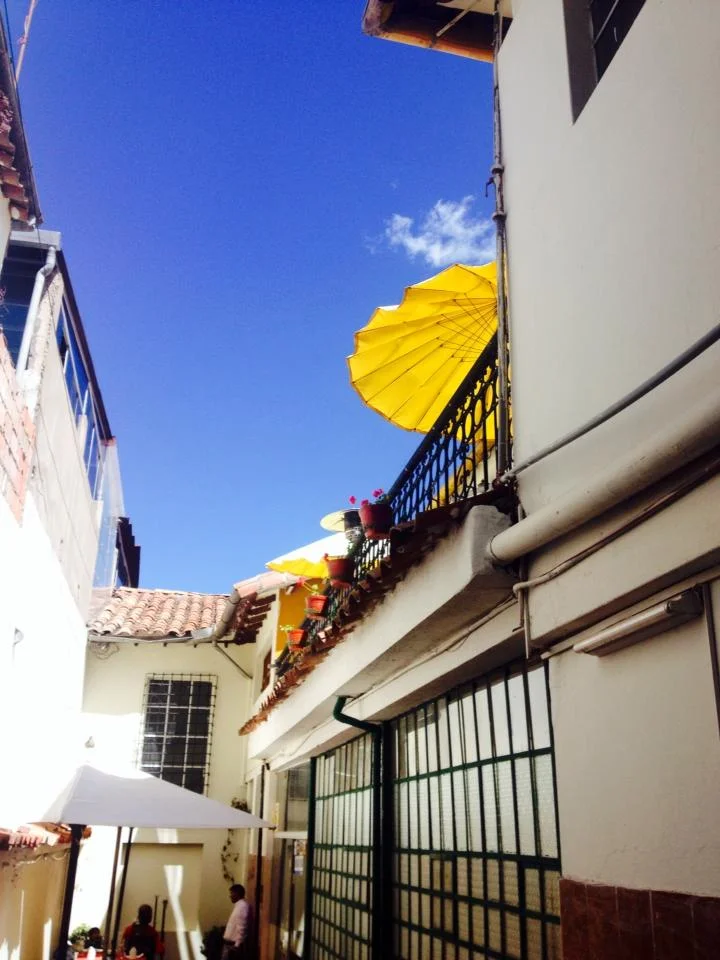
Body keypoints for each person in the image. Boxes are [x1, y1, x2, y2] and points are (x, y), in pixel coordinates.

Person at [222, 884, 252, 960]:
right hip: (230, 945)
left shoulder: (242, 906)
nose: (230, 896)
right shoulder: (238, 906)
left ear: (237, 893)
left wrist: (236, 945)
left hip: (232, 946)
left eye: (231, 893)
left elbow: (242, 926)